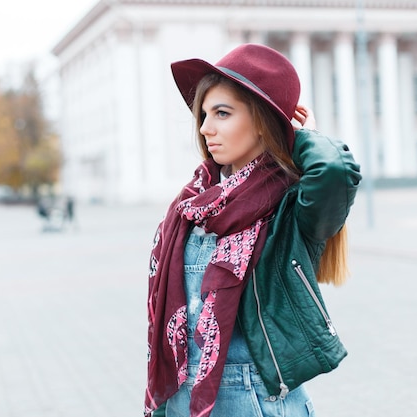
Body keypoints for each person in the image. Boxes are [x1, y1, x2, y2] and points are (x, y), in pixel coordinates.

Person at [145, 44, 362, 417]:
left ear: (263, 121)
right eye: (204, 114)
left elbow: (335, 172)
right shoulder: (193, 204)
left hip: (253, 400)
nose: (205, 127)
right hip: (184, 395)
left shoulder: (289, 208)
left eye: (222, 113)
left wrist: (301, 137)